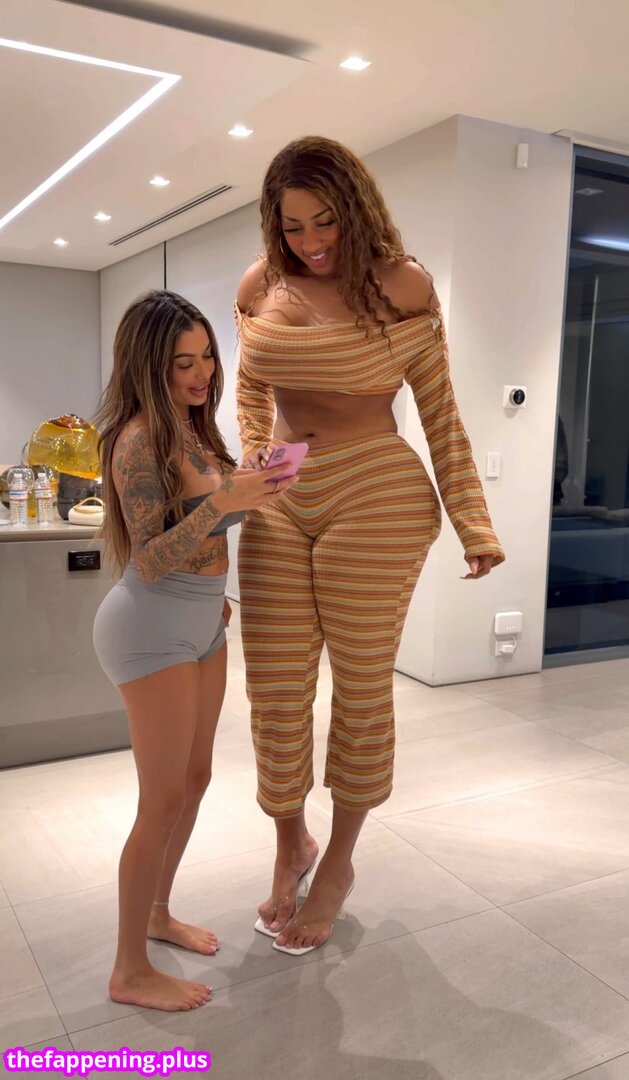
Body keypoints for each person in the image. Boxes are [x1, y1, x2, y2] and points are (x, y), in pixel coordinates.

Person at [235, 136, 505, 956]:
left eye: (325, 222)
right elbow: (249, 385)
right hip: (283, 488)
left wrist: (472, 519)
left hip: (376, 487)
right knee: (274, 687)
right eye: (292, 227)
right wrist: (255, 459)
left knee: (358, 685)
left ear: (356, 209)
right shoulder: (260, 284)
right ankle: (291, 845)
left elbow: (439, 410)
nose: (311, 242)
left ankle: (339, 863)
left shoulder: (402, 284)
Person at [93, 290, 293, 1011]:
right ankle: (128, 970)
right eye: (184, 362)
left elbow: (205, 522)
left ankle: (157, 913)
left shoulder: (193, 430)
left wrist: (248, 486)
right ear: (150, 365)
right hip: (151, 626)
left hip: (203, 620)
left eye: (208, 356)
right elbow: (148, 558)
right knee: (162, 800)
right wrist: (226, 500)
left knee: (196, 778)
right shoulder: (138, 440)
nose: (203, 372)